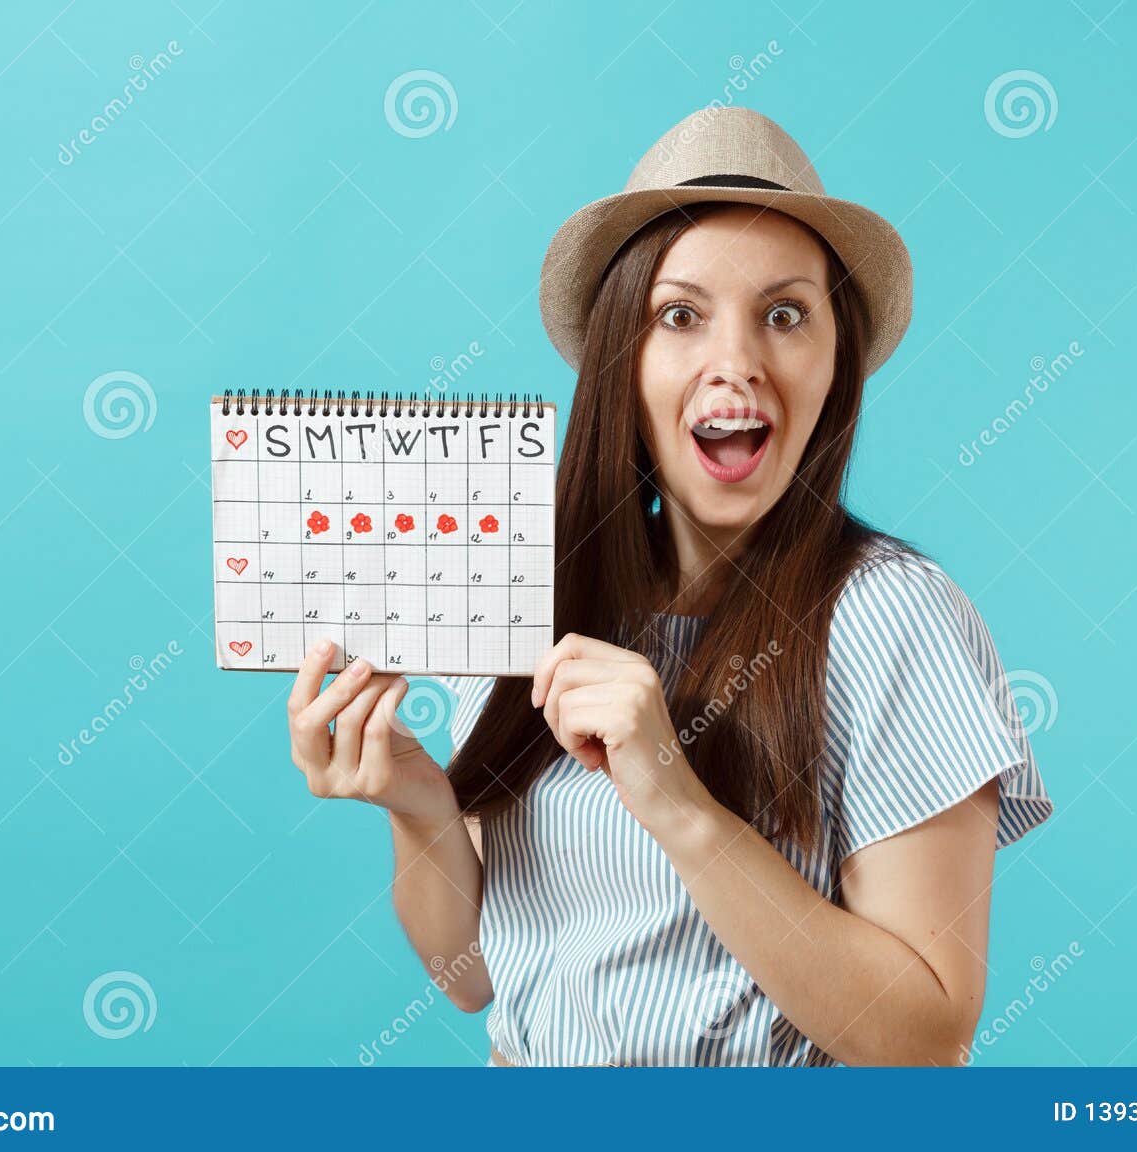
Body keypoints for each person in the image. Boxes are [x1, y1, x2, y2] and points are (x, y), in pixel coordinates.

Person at [285, 107, 1053, 1066]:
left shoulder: (892, 618)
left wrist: (677, 801)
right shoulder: (534, 602)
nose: (735, 362)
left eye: (784, 314)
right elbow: (471, 974)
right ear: (624, 359)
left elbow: (922, 1037)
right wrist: (417, 805)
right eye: (680, 314)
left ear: (834, 365)